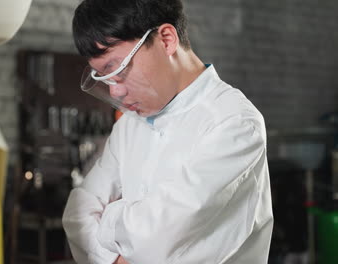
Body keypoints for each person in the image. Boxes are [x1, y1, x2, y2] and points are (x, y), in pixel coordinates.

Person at [62, 0, 273, 263]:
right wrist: (118, 256)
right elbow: (79, 209)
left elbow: (158, 237)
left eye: (118, 69)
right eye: (104, 79)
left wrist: (110, 220)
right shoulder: (129, 124)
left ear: (166, 39)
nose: (115, 91)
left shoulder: (234, 121)